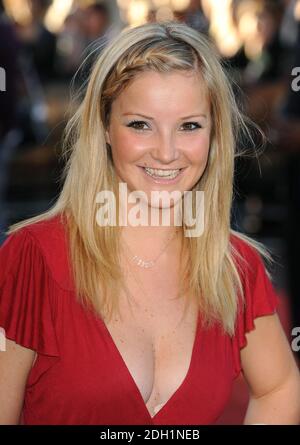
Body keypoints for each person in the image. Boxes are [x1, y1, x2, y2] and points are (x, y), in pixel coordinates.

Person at [0, 21, 299, 425]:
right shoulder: (33, 257)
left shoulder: (233, 266)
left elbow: (280, 387)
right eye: (140, 124)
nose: (166, 152)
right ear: (104, 127)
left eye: (190, 126)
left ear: (214, 136)